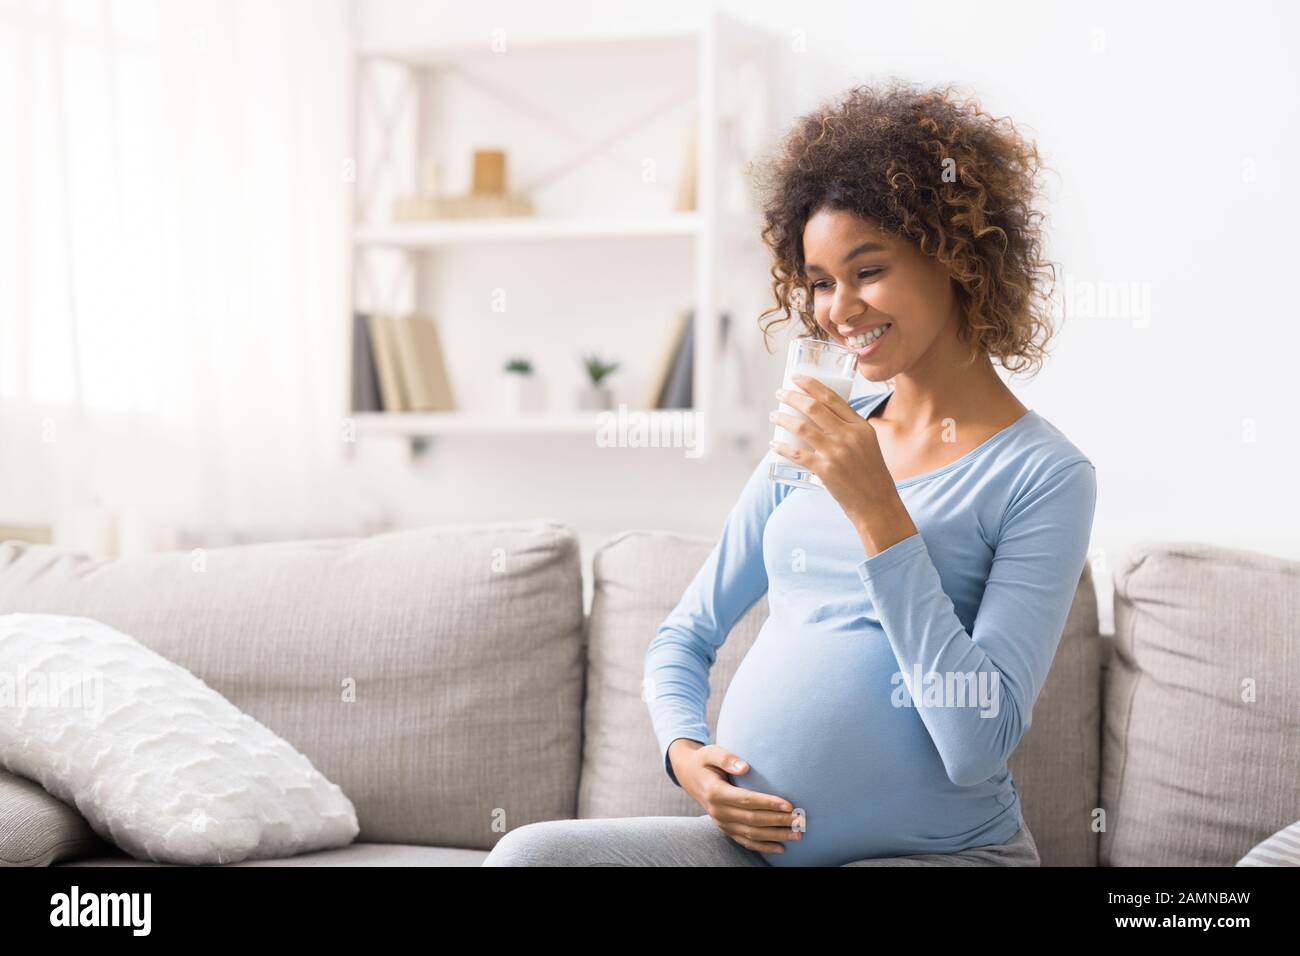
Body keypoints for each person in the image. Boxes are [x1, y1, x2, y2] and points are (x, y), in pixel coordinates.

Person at [483, 79, 1094, 867]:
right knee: (530, 859)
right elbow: (683, 636)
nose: (839, 310)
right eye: (819, 282)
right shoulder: (812, 440)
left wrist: (878, 511)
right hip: (755, 852)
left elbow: (976, 743)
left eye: (867, 271)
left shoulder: (1044, 474)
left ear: (956, 257)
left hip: (940, 857)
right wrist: (685, 757)